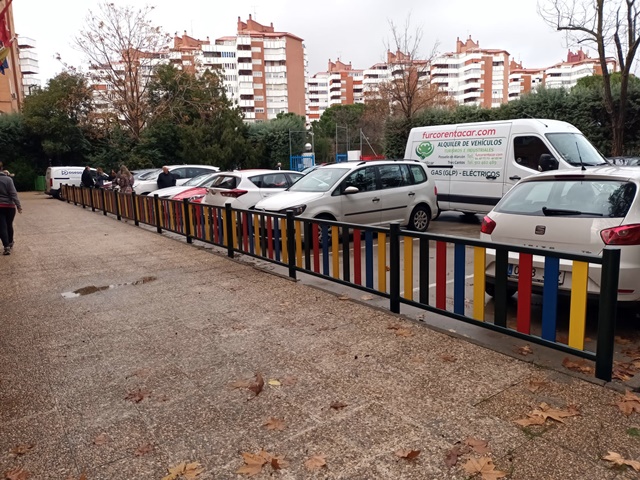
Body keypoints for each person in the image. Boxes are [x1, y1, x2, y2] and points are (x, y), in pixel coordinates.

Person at [0, 169, 22, 255]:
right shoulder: (8, 180)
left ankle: (6, 247)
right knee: (9, 224)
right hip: (10, 206)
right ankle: (10, 242)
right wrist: (18, 205)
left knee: (2, 226)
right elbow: (13, 193)